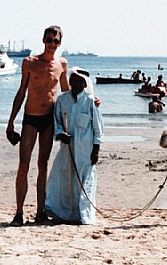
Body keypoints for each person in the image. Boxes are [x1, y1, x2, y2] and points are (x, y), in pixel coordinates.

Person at [6, 25, 68, 226]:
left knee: (43, 165)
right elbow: (21, 92)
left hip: (49, 120)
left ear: (60, 43)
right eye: (49, 40)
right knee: (23, 165)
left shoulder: (62, 65)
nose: (52, 44)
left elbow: (68, 95)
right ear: (43, 40)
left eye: (55, 41)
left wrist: (91, 100)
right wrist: (10, 122)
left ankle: (40, 211)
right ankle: (18, 213)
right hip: (31, 119)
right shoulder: (30, 63)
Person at [45, 67, 104, 225]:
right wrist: (60, 134)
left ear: (85, 84)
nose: (77, 83)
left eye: (80, 81)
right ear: (70, 82)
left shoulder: (91, 102)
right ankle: (65, 213)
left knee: (85, 182)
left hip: (86, 151)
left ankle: (84, 215)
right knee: (64, 180)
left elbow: (98, 129)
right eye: (74, 80)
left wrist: (96, 150)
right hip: (67, 149)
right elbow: (57, 121)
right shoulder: (62, 100)